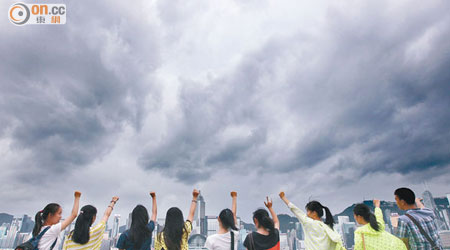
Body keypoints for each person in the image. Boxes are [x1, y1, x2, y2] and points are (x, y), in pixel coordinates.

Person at [279, 192, 345, 250]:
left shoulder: (310, 223)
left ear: (314, 213)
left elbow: (296, 211)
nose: (306, 214)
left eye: (308, 211)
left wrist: (283, 198)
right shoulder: (327, 227)